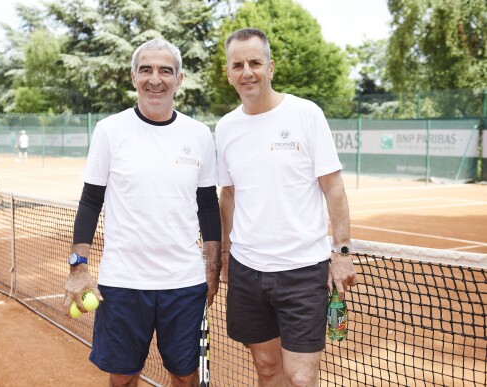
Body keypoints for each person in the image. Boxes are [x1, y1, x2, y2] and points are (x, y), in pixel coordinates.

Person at [63, 38, 221, 387]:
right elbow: (90, 200)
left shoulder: (198, 135)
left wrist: (213, 269)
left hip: (183, 282)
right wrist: (78, 268)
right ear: (133, 76)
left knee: (185, 375)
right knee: (123, 376)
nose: (155, 79)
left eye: (166, 70)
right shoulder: (110, 130)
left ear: (179, 80)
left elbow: (208, 204)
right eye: (146, 69)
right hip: (123, 283)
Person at [216, 28, 357, 387]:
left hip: (303, 272)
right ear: (229, 73)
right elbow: (228, 194)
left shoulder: (305, 114)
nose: (247, 71)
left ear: (271, 67)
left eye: (255, 62)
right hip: (247, 271)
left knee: (300, 377)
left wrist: (341, 253)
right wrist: (226, 255)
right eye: (238, 65)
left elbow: (334, 188)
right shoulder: (226, 127)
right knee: (266, 369)